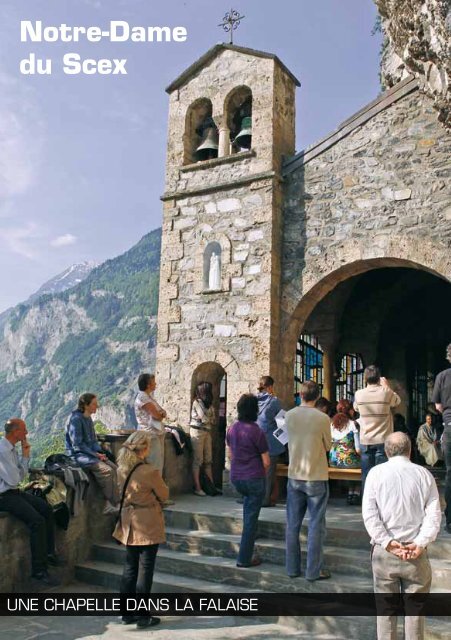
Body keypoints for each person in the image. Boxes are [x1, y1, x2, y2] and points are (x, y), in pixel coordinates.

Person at [362, 432, 441, 640]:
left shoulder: (375, 474)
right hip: (415, 552)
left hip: (384, 552)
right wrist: (420, 543)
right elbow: (434, 515)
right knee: (415, 613)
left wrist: (388, 542)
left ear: (387, 451)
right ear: (410, 449)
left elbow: (369, 515)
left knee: (385, 611)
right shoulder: (424, 474)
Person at [113, 431, 168, 629]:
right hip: (147, 522)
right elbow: (164, 493)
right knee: (146, 569)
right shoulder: (149, 471)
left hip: (129, 522)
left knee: (129, 568)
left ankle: (127, 613)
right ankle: (144, 615)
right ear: (144, 448)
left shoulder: (122, 469)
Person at [0, 418, 60, 585]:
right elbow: (14, 479)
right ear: (15, 432)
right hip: (4, 497)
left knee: (47, 509)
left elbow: (20, 476)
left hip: (13, 492)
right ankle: (39, 572)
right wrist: (26, 457)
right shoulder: (3, 451)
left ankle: (49, 554)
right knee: (37, 521)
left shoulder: (11, 449)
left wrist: (23, 459)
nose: (26, 433)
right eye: (24, 429)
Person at [285, 380, 332, 580]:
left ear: (300, 394)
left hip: (294, 475)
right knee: (315, 525)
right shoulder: (322, 418)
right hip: (316, 475)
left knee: (292, 523)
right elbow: (328, 446)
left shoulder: (288, 415)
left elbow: (285, 439)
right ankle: (313, 571)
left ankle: (292, 568)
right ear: (316, 396)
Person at [226, 394, 270, 568]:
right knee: (251, 519)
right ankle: (244, 558)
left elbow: (230, 454)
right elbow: (266, 461)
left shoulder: (232, 429)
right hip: (253, 477)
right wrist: (261, 472)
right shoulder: (257, 431)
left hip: (236, 477)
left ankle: (250, 537)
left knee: (249, 511)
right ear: (255, 411)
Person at [65, 393, 119, 513]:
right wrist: (95, 455)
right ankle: (109, 503)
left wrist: (100, 452)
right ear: (85, 405)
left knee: (115, 468)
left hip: (89, 453)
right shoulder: (76, 419)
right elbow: (77, 445)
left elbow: (93, 440)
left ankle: (115, 501)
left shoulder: (88, 418)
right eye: (94, 404)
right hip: (77, 455)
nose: (97, 406)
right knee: (107, 471)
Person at [354, 365, 401, 493]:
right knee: (382, 476)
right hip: (383, 439)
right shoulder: (386, 392)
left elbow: (356, 408)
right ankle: (382, 503)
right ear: (379, 378)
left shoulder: (359, 394)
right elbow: (397, 401)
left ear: (365, 378)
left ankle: (367, 505)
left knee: (367, 476)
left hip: (366, 440)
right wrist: (387, 386)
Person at [432, 343, 451, 534]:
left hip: (450, 425)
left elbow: (437, 406)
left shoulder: (442, 376)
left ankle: (450, 521)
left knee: (450, 473)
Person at [256, 375, 283, 507]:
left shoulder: (252, 399)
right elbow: (282, 423)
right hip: (269, 442)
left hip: (253, 441)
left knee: (254, 471)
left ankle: (251, 497)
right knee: (268, 473)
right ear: (271, 387)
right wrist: (283, 441)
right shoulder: (274, 401)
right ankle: (265, 499)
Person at [134, 373, 167, 475]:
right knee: (155, 465)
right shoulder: (143, 397)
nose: (155, 384)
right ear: (148, 385)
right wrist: (161, 415)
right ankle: (154, 489)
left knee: (157, 463)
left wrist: (161, 414)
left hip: (155, 433)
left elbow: (162, 412)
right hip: (150, 434)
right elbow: (157, 415)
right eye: (153, 382)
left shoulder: (148, 396)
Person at [190, 381, 216, 496]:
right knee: (198, 460)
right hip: (197, 432)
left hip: (206, 431)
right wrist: (208, 419)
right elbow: (204, 418)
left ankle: (211, 487)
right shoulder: (197, 402)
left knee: (208, 460)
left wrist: (208, 419)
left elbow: (212, 419)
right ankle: (198, 487)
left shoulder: (209, 404)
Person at [329, 410, 361, 505]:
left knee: (351, 465)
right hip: (348, 462)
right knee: (361, 464)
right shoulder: (352, 426)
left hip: (334, 462)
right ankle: (356, 493)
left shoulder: (332, 426)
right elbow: (358, 449)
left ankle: (350, 493)